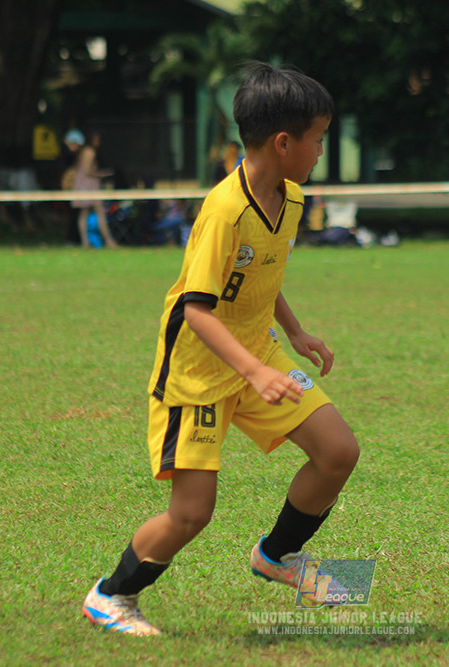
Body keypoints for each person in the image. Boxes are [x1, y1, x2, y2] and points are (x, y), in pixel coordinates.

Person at [82, 63, 359, 636]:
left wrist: (297, 333)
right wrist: (255, 371)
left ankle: (276, 557)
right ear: (284, 143)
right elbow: (196, 308)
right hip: (198, 372)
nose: (320, 152)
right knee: (191, 515)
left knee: (338, 451)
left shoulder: (293, 198)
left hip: (258, 353)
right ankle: (110, 596)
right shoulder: (223, 210)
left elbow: (263, 272)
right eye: (318, 140)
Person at [70, 130, 118, 248]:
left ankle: (86, 242)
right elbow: (87, 171)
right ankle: (108, 241)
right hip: (88, 186)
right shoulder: (90, 152)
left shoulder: (84, 151)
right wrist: (102, 174)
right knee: (99, 212)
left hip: (84, 185)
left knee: (84, 213)